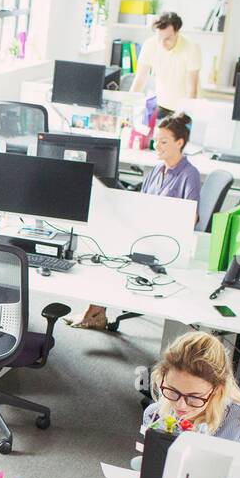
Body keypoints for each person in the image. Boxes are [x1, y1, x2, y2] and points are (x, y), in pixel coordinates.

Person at [104, 331, 240, 478]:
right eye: (172, 391)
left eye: (193, 397)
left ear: (218, 390)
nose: (180, 405)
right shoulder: (155, 415)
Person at [75, 113, 201, 329]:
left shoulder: (190, 174)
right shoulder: (155, 171)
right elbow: (141, 204)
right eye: (156, 140)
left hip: (167, 242)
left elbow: (192, 217)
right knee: (105, 249)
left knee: (113, 252)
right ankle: (97, 310)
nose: (157, 146)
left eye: (164, 141)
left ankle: (96, 312)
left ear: (179, 143)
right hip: (145, 234)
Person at [130, 11, 201, 116]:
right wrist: (128, 105)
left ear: (177, 32)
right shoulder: (150, 45)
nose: (162, 44)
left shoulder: (191, 48)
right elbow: (140, 78)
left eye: (167, 39)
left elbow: (192, 88)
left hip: (183, 108)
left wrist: (187, 115)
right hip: (161, 104)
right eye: (159, 38)